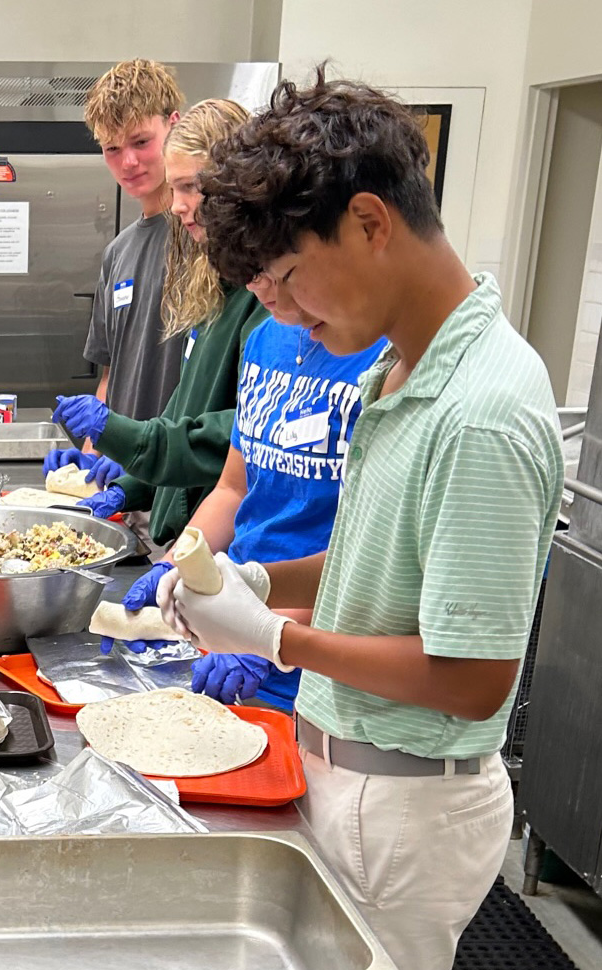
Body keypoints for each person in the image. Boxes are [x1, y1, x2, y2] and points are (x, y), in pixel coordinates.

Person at [159, 70, 564, 970]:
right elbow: (385, 556)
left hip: (409, 802)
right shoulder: (400, 368)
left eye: (293, 280)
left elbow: (471, 676)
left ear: (371, 222)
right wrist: (257, 575)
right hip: (343, 769)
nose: (290, 317)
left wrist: (273, 638)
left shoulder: (482, 413)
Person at [116, 271, 385, 709]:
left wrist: (265, 635)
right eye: (253, 279)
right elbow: (233, 489)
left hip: (319, 665)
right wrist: (175, 565)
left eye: (278, 275)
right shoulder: (264, 341)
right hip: (228, 638)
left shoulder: (382, 362)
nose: (265, 295)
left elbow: (371, 559)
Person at [52, 98, 267, 551]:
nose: (180, 206)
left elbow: (241, 438)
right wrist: (126, 481)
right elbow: (182, 407)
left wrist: (126, 438)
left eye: (190, 188)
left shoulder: (267, 297)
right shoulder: (212, 286)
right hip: (175, 522)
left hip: (216, 538)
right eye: (177, 189)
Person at [43, 58, 186, 508]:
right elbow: (111, 373)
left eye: (142, 142)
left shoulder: (203, 238)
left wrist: (145, 453)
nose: (128, 162)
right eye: (111, 149)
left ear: (174, 127)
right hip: (121, 490)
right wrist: (91, 455)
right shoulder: (117, 253)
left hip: (178, 490)